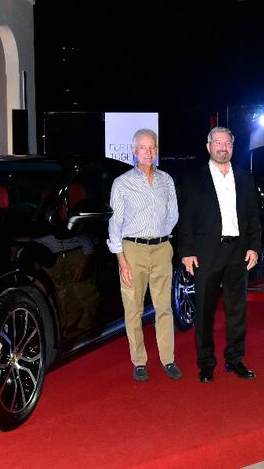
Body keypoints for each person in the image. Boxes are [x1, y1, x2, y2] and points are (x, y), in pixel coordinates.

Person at [177, 126, 261, 383]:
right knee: (204, 310)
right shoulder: (193, 179)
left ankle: (234, 360)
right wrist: (187, 251)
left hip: (238, 252)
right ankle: (206, 363)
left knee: (237, 311)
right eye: (217, 143)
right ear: (208, 146)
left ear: (232, 148)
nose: (223, 147)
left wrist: (254, 246)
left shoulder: (244, 177)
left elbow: (253, 217)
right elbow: (186, 219)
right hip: (205, 253)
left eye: (228, 143)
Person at [107, 128, 180, 382]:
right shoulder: (122, 183)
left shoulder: (166, 180)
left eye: (152, 147)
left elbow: (173, 215)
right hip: (132, 250)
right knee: (133, 310)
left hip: (162, 248)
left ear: (156, 150)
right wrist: (122, 259)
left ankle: (167, 359)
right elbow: (114, 224)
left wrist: (161, 237)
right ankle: (139, 361)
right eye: (143, 148)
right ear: (134, 151)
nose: (148, 152)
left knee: (164, 308)